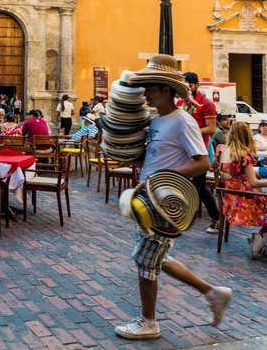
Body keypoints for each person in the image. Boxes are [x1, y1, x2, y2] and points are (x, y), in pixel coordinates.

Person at [114, 55, 232, 340]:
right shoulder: (156, 121)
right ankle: (213, 293)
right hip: (148, 200)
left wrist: (156, 178)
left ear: (167, 90)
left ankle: (149, 323)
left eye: (151, 89)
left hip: (166, 201)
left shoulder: (184, 121)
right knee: (157, 258)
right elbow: (154, 156)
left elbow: (202, 162)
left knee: (144, 259)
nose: (145, 94)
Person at [213, 121, 267, 259]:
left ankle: (260, 239)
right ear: (247, 135)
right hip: (242, 201)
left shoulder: (220, 149)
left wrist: (224, 174)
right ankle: (259, 239)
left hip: (228, 199)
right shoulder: (244, 155)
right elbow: (254, 183)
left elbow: (213, 167)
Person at [177, 72, 220, 234]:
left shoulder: (206, 104)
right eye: (183, 85)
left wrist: (189, 132)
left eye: (189, 85)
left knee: (201, 186)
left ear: (197, 85)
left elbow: (211, 128)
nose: (186, 88)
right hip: (182, 150)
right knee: (180, 183)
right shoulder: (180, 102)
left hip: (198, 151)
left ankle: (216, 219)